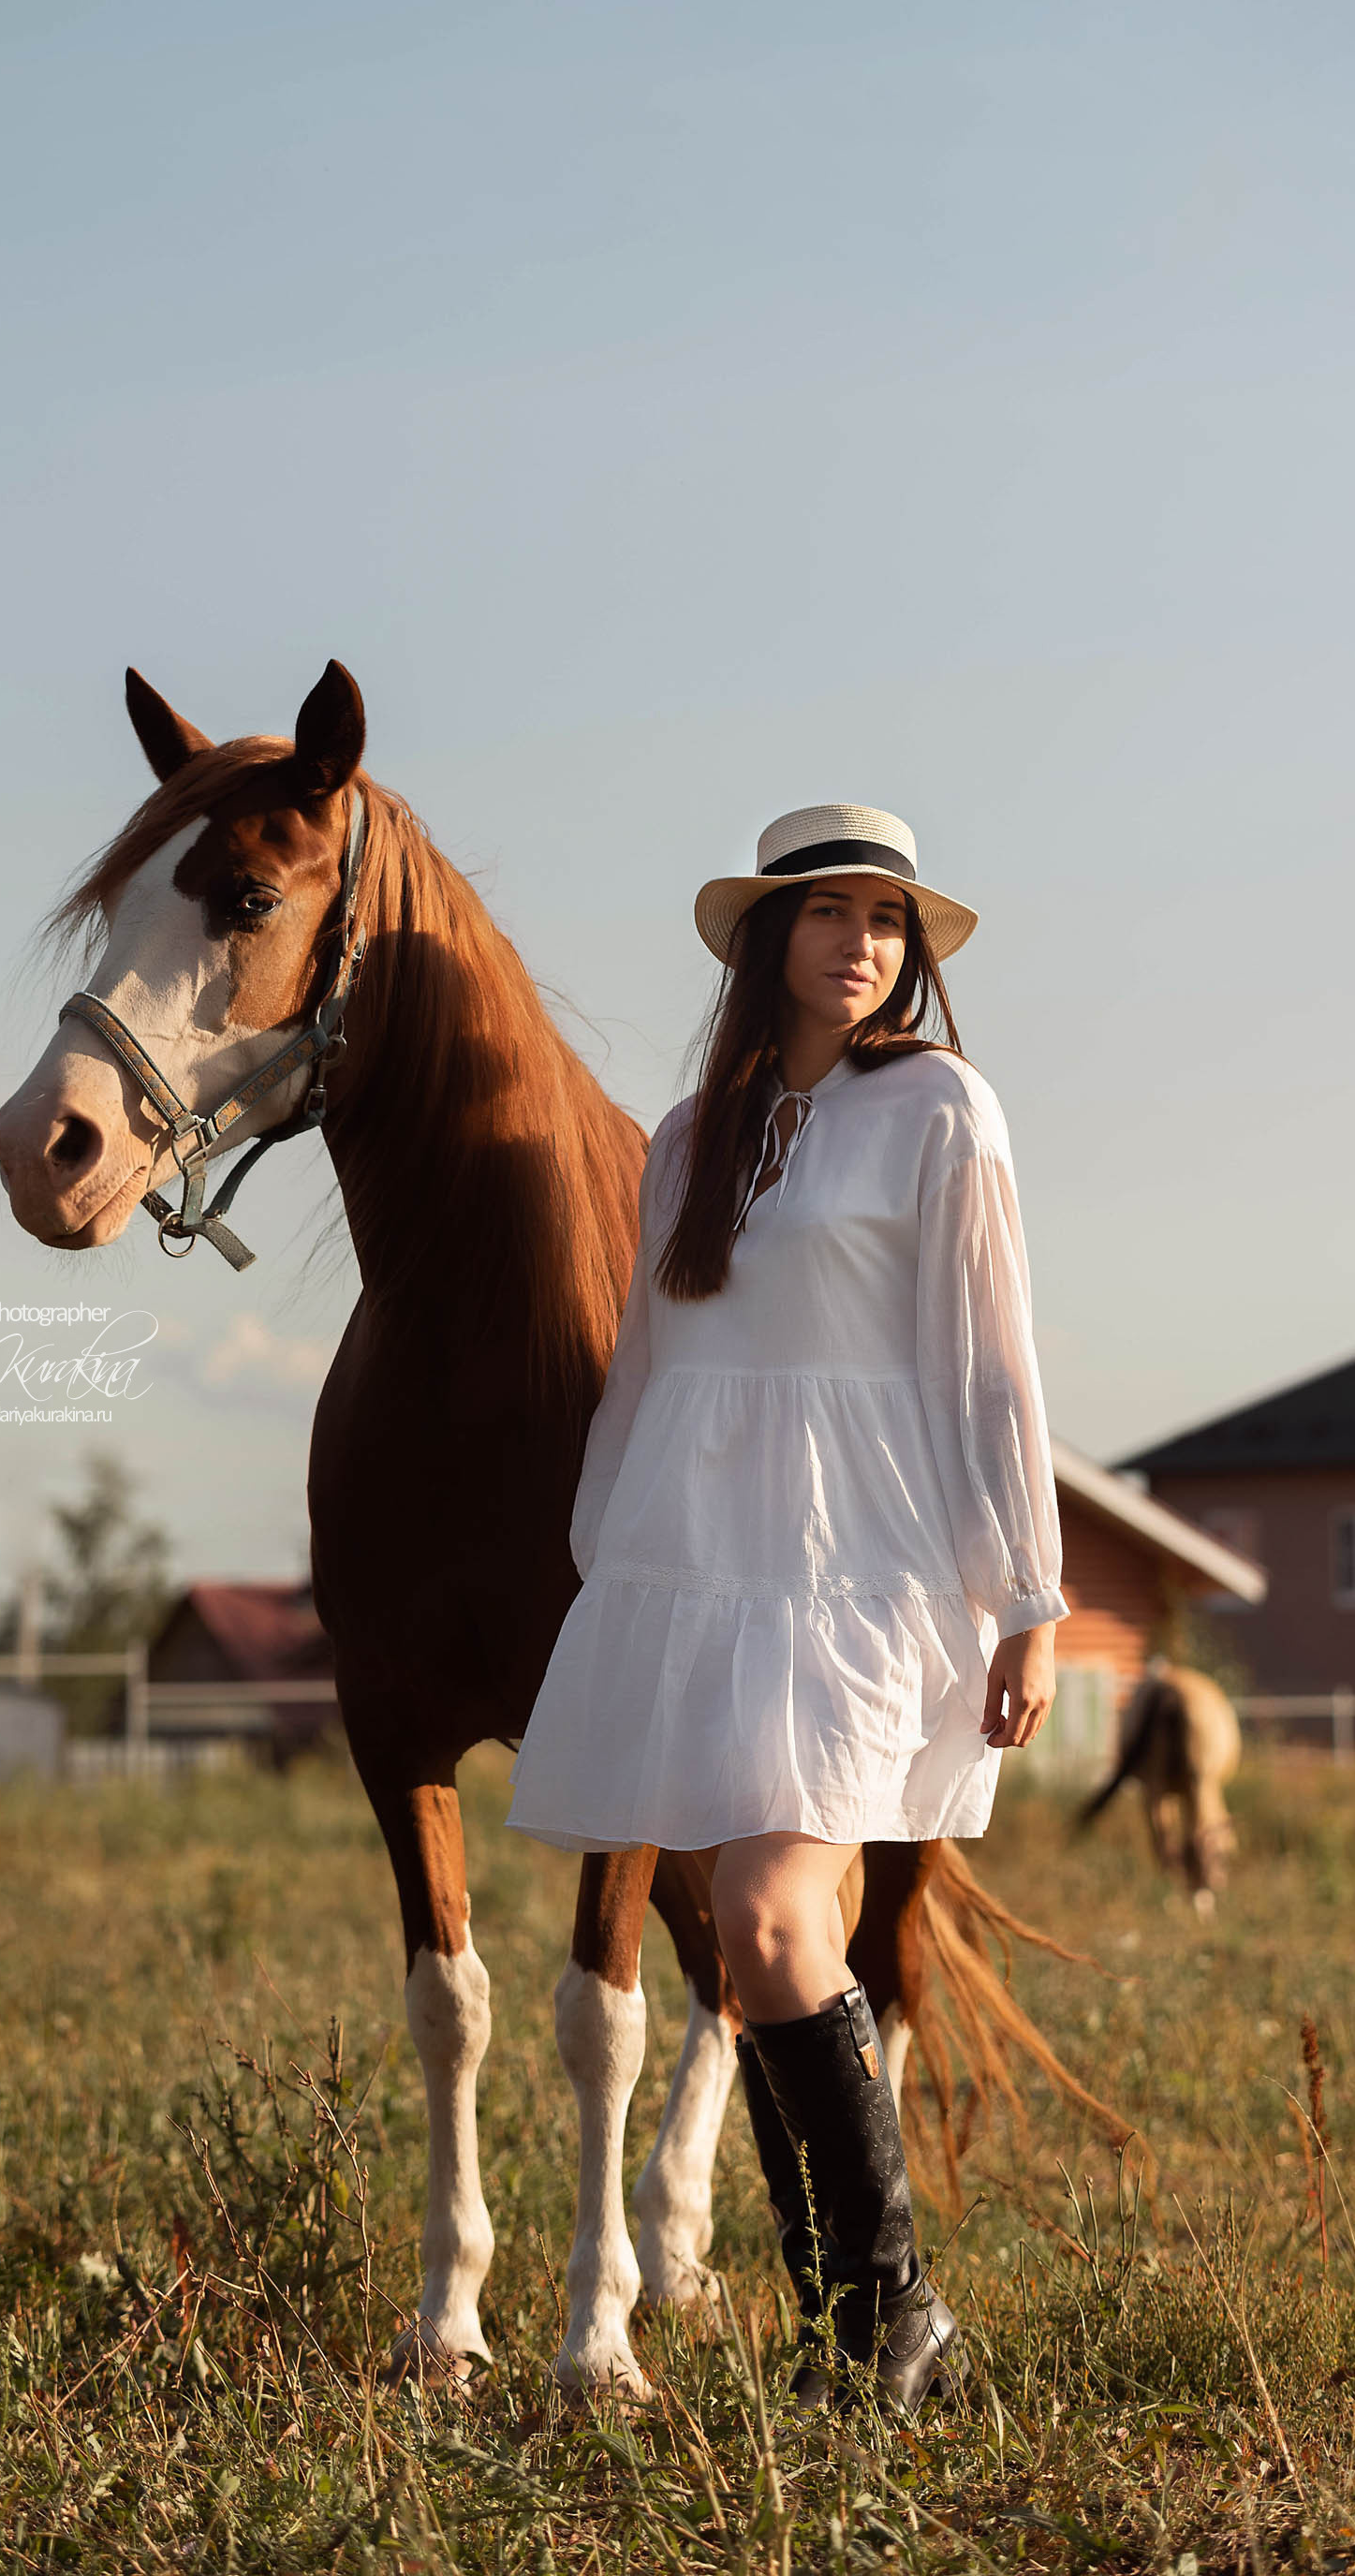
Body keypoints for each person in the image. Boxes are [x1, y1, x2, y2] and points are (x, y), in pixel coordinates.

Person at [508, 801, 1064, 2414]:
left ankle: (888, 2318)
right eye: (829, 913)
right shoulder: (691, 1137)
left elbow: (993, 1358)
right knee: (765, 1952)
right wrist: (612, 1557)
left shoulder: (943, 1111)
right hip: (711, 1566)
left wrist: (1029, 1590)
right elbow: (651, 1365)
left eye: (886, 919)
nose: (861, 944)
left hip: (872, 1564)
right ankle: (866, 2341)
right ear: (767, 938)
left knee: (763, 1914)